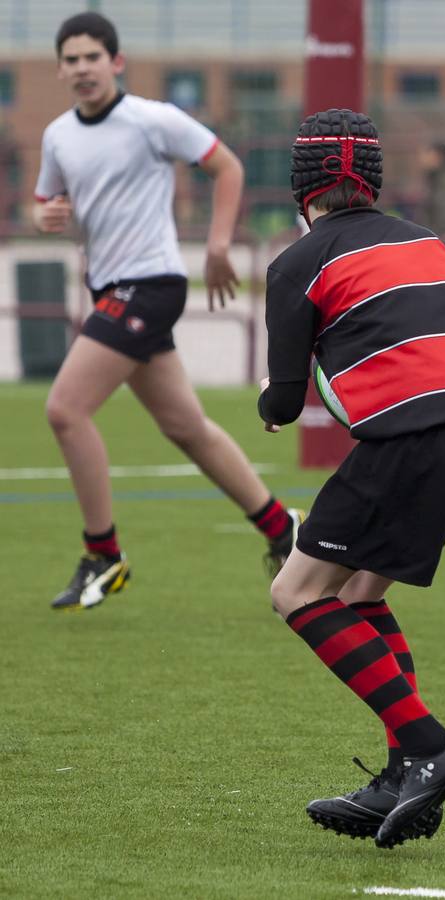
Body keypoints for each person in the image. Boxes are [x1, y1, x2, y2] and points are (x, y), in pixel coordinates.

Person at [258, 108, 445, 848]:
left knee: (297, 592)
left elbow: (283, 393)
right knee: (361, 590)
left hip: (409, 442)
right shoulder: (429, 243)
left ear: (298, 189)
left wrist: (272, 410)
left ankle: (429, 744)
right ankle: (405, 772)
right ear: (374, 179)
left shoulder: (296, 264)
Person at [32, 12, 301, 611]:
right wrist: (43, 217)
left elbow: (226, 166)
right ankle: (286, 532)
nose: (81, 68)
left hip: (150, 284)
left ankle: (104, 555)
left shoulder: (152, 119)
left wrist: (216, 245)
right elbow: (45, 203)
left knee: (64, 410)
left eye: (91, 57)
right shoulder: (57, 135)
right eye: (70, 59)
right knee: (186, 427)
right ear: (59, 69)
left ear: (116, 62)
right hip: (111, 291)